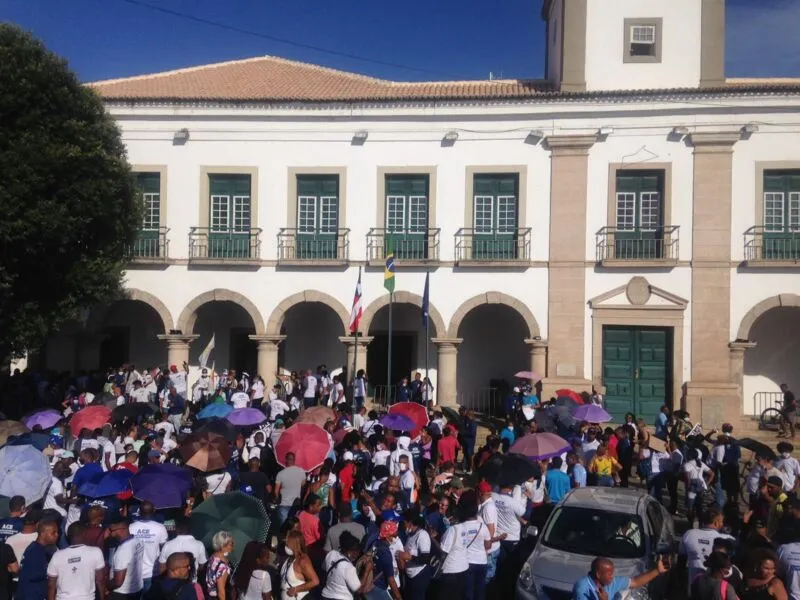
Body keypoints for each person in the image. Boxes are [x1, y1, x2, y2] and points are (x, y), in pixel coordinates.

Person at [679, 508, 735, 593]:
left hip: (694, 589)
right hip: (718, 590)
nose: (722, 524)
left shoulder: (689, 534)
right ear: (716, 523)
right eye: (721, 522)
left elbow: (681, 563)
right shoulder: (728, 539)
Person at [46, 523, 107, 600]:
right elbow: (100, 581)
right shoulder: (96, 552)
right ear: (84, 534)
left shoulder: (57, 555)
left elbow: (51, 586)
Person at [572, 556, 668, 600]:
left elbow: (635, 582)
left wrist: (657, 571)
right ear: (598, 574)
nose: (612, 576)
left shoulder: (610, 582)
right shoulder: (583, 588)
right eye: (609, 574)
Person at [320, 531, 372, 600]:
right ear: (350, 552)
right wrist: (367, 571)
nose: (358, 554)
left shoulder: (331, 554)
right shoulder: (348, 567)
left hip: (325, 595)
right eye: (357, 551)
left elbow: (324, 570)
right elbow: (359, 590)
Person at [130, 501, 168, 591]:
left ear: (139, 512)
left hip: (134, 572)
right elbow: (164, 550)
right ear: (154, 510)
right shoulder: (160, 528)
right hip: (152, 572)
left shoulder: (131, 527)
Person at [16, 519, 58, 599]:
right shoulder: (36, 552)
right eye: (53, 533)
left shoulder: (35, 548)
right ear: (42, 534)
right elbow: (34, 576)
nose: (57, 535)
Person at [108, 517, 146, 599]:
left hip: (122, 593)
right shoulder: (138, 541)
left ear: (121, 529)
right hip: (137, 589)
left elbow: (118, 582)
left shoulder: (123, 551)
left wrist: (106, 586)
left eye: (111, 530)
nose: (109, 533)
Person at [398, 512, 433, 600]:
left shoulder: (422, 535)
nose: (402, 525)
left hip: (419, 575)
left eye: (404, 522)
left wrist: (410, 557)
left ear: (410, 523)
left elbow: (425, 558)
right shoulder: (410, 535)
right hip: (410, 575)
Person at [279, 530, 319, 599]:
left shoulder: (303, 560)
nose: (286, 547)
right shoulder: (289, 558)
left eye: (288, 545)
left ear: (295, 545)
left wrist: (296, 589)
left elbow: (315, 581)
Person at [275, 452, 306, 530]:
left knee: (283, 528)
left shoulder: (280, 474)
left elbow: (276, 491)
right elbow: (303, 484)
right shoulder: (301, 471)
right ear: (294, 460)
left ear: (286, 460)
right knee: (295, 528)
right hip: (296, 504)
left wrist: (277, 500)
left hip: (284, 504)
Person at [205, 531, 234, 600]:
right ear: (223, 546)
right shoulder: (223, 566)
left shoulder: (213, 556)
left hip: (209, 595)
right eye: (231, 544)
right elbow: (221, 592)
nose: (233, 545)